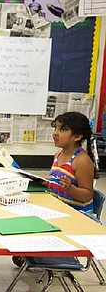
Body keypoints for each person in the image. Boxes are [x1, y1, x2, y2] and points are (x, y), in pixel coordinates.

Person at [13, 112, 96, 268]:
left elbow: (87, 195)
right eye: (55, 128)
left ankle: (32, 254)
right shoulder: (58, 155)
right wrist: (43, 182)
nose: (55, 133)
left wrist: (70, 188)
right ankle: (27, 253)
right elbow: (56, 182)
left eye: (62, 129)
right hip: (59, 210)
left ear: (77, 136)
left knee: (31, 226)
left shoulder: (82, 161)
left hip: (76, 217)